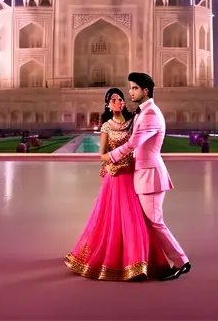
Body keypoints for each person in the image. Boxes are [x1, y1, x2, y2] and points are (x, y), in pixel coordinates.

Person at [64, 88, 170, 281]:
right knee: (112, 220)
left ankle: (138, 264)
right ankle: (116, 261)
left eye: (120, 99)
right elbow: (102, 154)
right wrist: (116, 160)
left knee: (135, 219)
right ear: (108, 104)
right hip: (115, 177)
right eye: (113, 100)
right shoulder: (106, 127)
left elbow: (140, 143)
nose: (118, 102)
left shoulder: (133, 124)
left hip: (131, 175)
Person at [101, 73, 191, 281]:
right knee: (147, 222)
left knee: (155, 222)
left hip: (150, 175)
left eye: (133, 88)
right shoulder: (144, 112)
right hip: (144, 175)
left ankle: (181, 262)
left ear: (145, 91)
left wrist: (111, 156)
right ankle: (145, 261)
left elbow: (134, 143)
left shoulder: (150, 114)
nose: (130, 92)